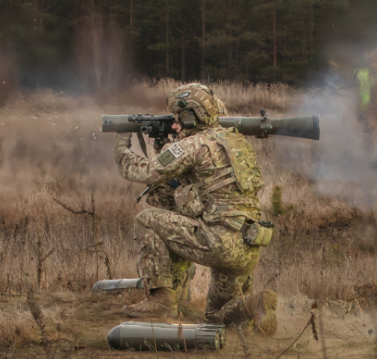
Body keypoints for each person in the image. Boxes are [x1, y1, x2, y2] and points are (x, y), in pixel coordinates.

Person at [116, 82, 277, 334]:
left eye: (178, 118)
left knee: (146, 219)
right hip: (248, 244)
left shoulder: (193, 145)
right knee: (215, 318)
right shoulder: (236, 142)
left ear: (190, 116)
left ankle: (161, 301)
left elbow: (146, 171)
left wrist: (120, 147)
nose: (175, 124)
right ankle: (253, 305)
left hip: (219, 242)